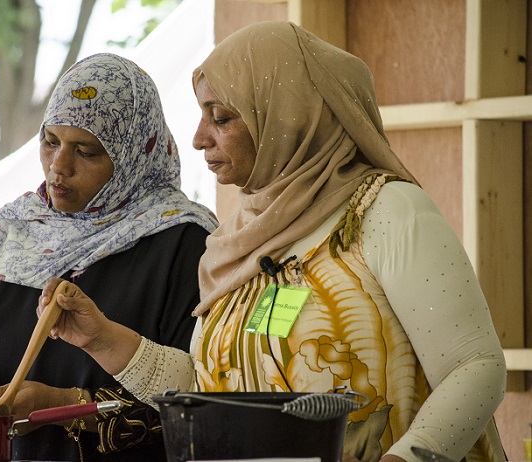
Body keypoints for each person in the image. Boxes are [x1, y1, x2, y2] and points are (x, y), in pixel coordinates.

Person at [38, 22, 508, 462]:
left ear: (287, 116)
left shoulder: (386, 211)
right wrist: (101, 338)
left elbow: (475, 366)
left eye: (220, 117)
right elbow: (216, 393)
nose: (199, 138)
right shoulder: (237, 239)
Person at [0, 52, 218, 462]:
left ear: (135, 154)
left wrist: (66, 405)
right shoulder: (16, 232)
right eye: (50, 142)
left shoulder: (184, 243)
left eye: (86, 151)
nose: (58, 167)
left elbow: (201, 398)